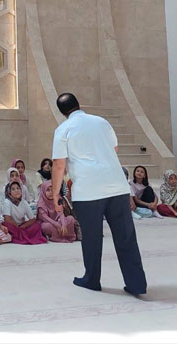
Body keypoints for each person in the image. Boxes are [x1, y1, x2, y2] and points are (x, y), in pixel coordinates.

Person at [50, 93, 147, 296]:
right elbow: (114, 148)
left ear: (61, 112)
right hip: (117, 187)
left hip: (88, 191)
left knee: (92, 238)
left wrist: (56, 193)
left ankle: (92, 279)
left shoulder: (63, 129)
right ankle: (137, 284)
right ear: (79, 104)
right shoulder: (101, 122)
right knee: (126, 237)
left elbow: (59, 164)